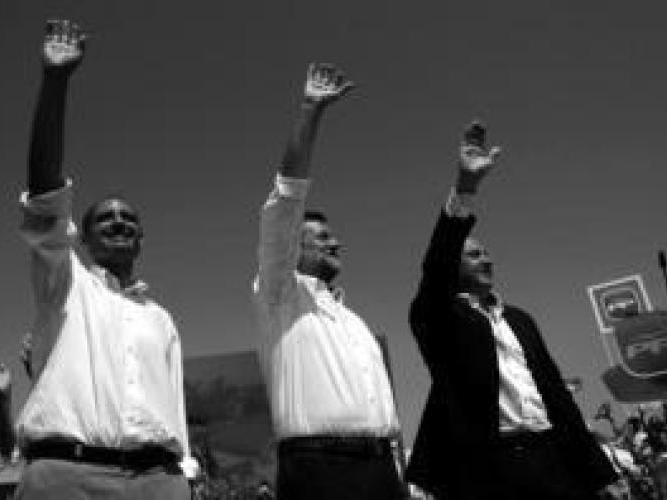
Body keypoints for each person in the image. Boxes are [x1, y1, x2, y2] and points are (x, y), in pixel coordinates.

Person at [13, 19, 191, 499]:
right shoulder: (65, 281)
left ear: (141, 239)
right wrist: (55, 82)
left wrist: (183, 476)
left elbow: (172, 403)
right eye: (106, 218)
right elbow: (45, 195)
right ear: (84, 239)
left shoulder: (161, 319)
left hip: (161, 482)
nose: (119, 223)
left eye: (128, 219)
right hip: (67, 479)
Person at [405, 121, 617, 499]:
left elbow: (557, 394)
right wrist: (465, 187)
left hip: (554, 459)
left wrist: (599, 475)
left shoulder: (520, 319)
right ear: (453, 265)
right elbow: (436, 266)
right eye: (474, 255)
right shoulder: (440, 318)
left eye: (487, 254)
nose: (487, 260)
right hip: (491, 469)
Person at [253, 63, 403, 499]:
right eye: (321, 238)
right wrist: (311, 112)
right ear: (292, 249)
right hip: (321, 471)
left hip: (383, 468)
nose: (336, 243)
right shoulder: (280, 295)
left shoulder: (353, 321)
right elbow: (285, 203)